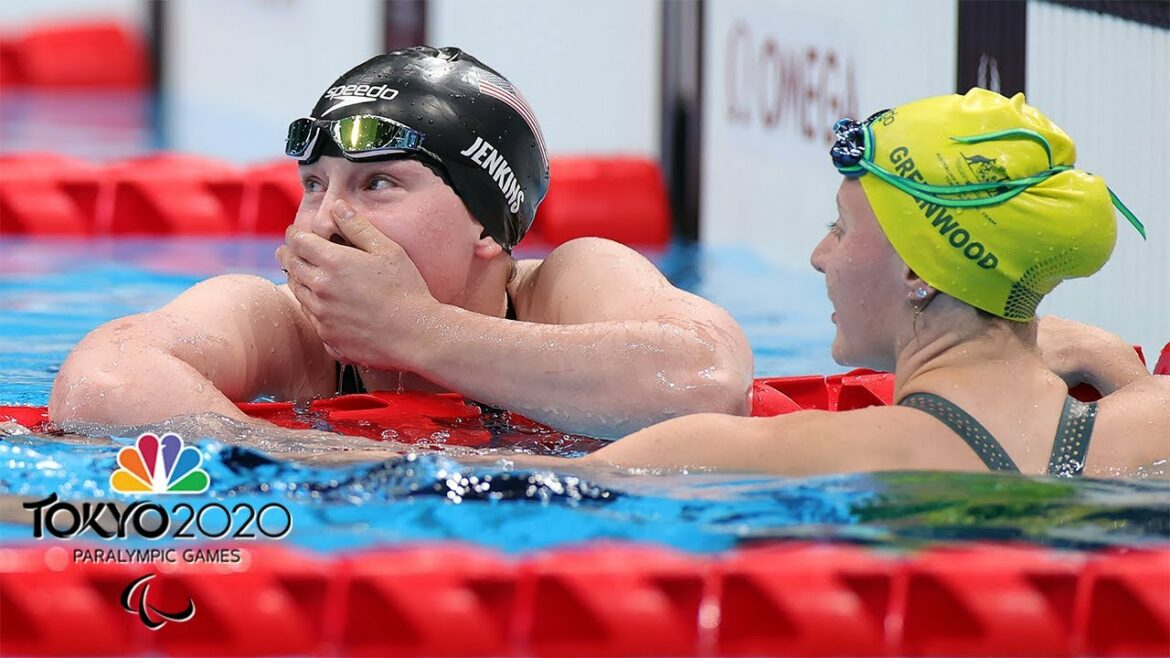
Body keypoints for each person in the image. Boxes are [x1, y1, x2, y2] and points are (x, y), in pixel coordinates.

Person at [49, 47, 753, 437]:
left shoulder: (569, 284)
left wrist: (416, 332)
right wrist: (317, 466)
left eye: (377, 185)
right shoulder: (288, 329)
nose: (323, 222)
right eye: (316, 184)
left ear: (487, 222)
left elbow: (706, 382)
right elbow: (100, 383)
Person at [568, 89, 1168, 477]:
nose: (818, 256)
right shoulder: (1146, 429)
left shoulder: (791, 455)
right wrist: (1124, 373)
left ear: (918, 272)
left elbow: (510, 485)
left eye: (840, 226)